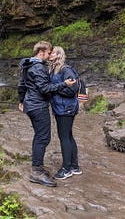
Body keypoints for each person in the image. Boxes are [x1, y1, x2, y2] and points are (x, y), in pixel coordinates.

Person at [18, 41, 76, 187]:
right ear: (41, 51)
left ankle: (38, 168)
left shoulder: (29, 64)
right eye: (49, 52)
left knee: (40, 136)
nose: (50, 55)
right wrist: (64, 84)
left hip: (32, 104)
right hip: (38, 106)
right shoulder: (38, 67)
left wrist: (21, 100)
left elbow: (22, 84)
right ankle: (36, 171)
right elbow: (44, 88)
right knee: (43, 138)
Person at [48, 46, 82, 180]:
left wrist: (54, 90)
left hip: (66, 108)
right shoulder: (55, 69)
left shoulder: (65, 69)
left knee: (64, 137)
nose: (50, 55)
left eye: (53, 53)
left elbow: (72, 89)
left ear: (59, 55)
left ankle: (66, 168)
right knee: (68, 135)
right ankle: (75, 166)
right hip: (61, 107)